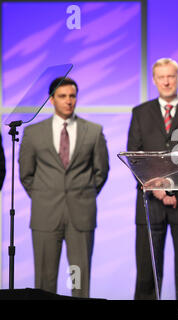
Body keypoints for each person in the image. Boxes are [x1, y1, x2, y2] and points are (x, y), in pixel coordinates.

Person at [19, 77, 109, 298]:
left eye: (72, 96)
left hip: (81, 214)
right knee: (44, 280)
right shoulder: (33, 133)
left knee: (78, 279)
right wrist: (43, 195)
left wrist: (84, 194)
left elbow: (101, 172)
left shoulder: (94, 131)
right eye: (62, 96)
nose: (68, 101)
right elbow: (26, 174)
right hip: (45, 214)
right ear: (51, 100)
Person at [127, 58, 178, 300]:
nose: (166, 81)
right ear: (154, 80)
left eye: (171, 76)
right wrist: (157, 189)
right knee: (147, 275)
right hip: (150, 204)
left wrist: (173, 187)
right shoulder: (140, 113)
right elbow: (134, 156)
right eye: (161, 77)